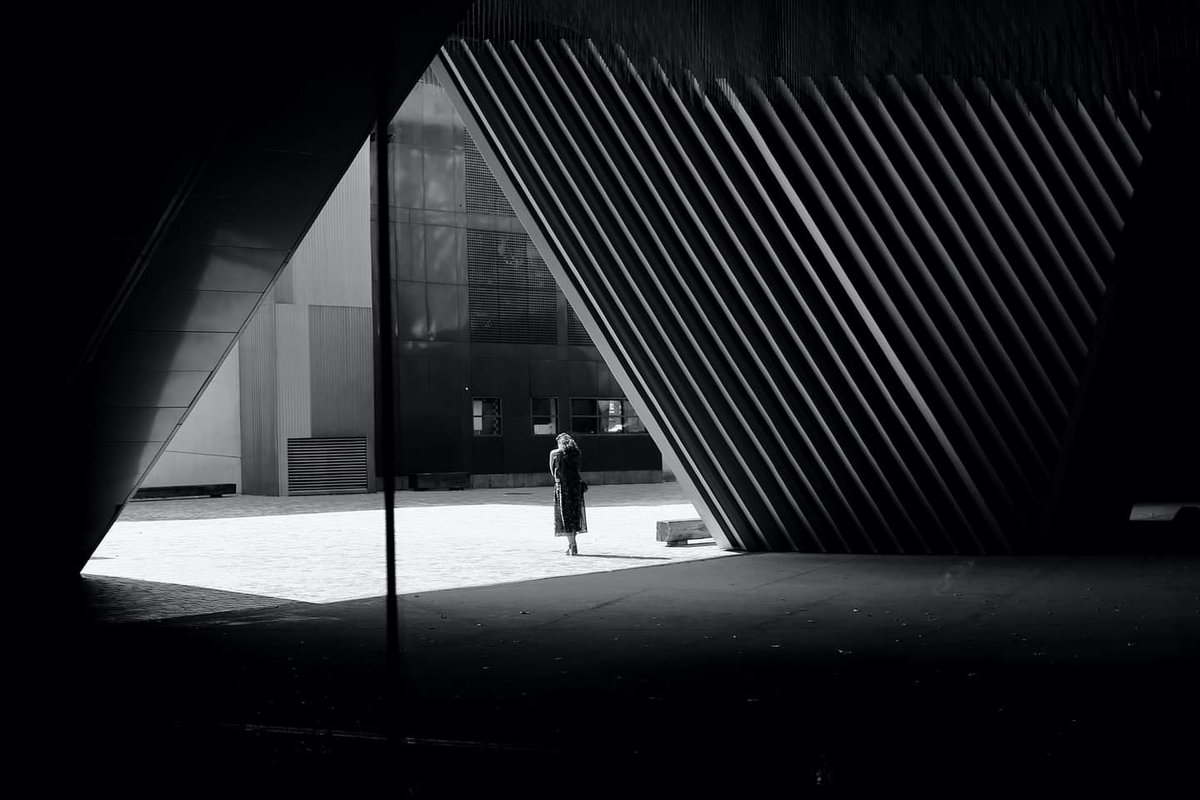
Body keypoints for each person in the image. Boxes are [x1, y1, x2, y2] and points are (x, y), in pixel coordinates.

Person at [550, 433, 587, 555]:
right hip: (576, 486)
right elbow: (577, 470)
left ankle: (572, 544)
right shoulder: (577, 453)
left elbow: (553, 472)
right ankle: (572, 543)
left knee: (565, 516)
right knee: (575, 515)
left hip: (562, 486)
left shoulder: (555, 453)